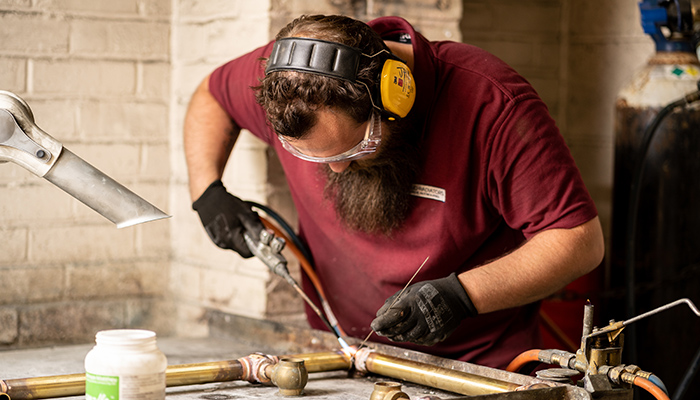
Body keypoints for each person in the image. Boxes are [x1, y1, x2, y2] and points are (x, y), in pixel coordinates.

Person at [184, 14, 605, 369]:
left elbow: (578, 241)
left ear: (396, 95)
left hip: (476, 366)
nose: (337, 167)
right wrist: (207, 192)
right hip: (344, 356)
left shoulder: (492, 105)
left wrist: (462, 295)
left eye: (355, 148)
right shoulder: (295, 79)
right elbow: (212, 96)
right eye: (313, 157)